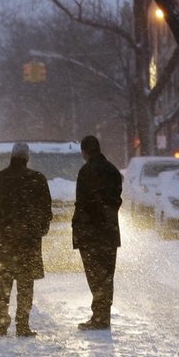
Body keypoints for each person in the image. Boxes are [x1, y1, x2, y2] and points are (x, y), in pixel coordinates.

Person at [0, 142, 52, 337]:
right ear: (27, 158)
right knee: (25, 285)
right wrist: (38, 231)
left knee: (3, 286)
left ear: (11, 157)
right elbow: (46, 210)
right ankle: (23, 325)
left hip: (3, 242)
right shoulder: (37, 179)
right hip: (29, 243)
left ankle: (1, 325)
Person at [71, 135, 123, 331]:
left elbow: (81, 203)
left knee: (95, 275)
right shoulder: (112, 171)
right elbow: (116, 200)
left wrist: (79, 227)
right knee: (107, 275)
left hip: (90, 233)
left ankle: (99, 316)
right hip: (109, 232)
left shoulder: (85, 172)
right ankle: (103, 315)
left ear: (84, 151)